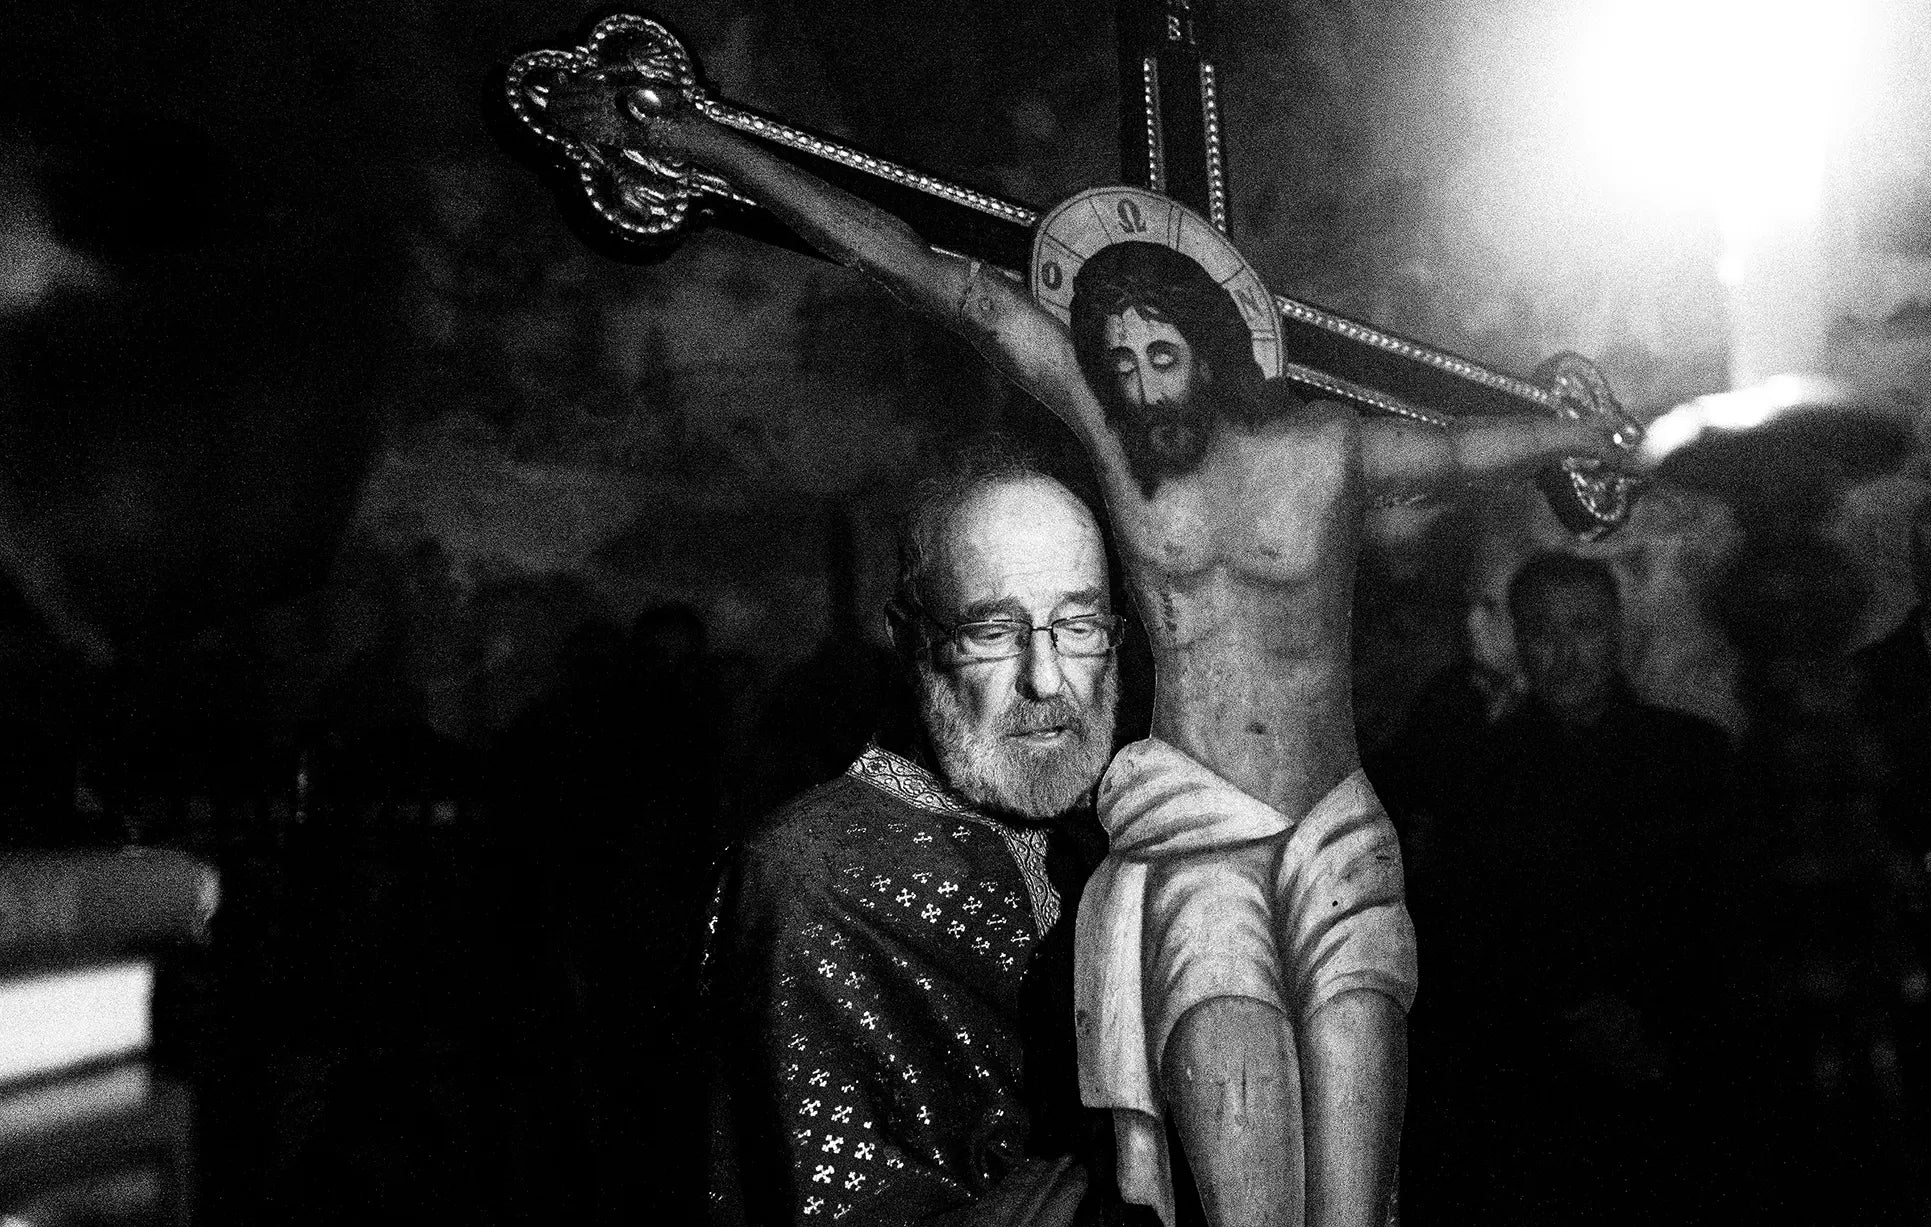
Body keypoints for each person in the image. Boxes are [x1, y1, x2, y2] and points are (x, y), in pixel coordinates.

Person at [558, 83, 1646, 1227]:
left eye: (1158, 354)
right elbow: (931, 275)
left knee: (1354, 1185)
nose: (1134, 380)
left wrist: (1588, 434)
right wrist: (707, 140)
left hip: (1329, 838)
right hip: (1193, 860)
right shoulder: (1109, 456)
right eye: (1115, 360)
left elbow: (1466, 451)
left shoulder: (1318, 458)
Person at [706, 443, 1139, 1226]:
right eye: (992, 632)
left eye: (1077, 624)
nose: (1047, 681)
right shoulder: (810, 875)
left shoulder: (1123, 830)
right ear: (909, 637)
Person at [1403, 551, 1728, 1223]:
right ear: (1520, 642)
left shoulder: (1694, 757)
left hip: (1679, 1077)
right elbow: (1464, 942)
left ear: (1618, 631)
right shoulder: (1481, 778)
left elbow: (1723, 919)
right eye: (1544, 632)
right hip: (1534, 1101)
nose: (1565, 653)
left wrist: (1655, 1027)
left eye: (1584, 627)